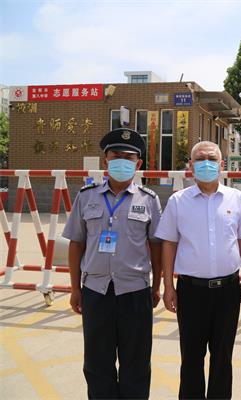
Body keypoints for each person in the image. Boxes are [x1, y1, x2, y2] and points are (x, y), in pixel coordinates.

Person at [63, 128, 162, 399]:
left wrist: (157, 286)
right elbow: (76, 244)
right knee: (97, 364)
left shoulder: (149, 200)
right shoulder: (86, 196)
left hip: (135, 292)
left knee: (136, 364)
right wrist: (75, 288)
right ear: (105, 160)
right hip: (96, 291)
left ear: (138, 164)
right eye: (115, 156)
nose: (121, 162)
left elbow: (156, 247)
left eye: (128, 158)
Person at [156, 141, 241, 399]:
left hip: (227, 290)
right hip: (191, 291)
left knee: (222, 357)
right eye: (200, 159)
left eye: (212, 159)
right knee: (191, 357)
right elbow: (169, 244)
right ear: (191, 166)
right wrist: (168, 287)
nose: (206, 164)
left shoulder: (237, 199)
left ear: (221, 165)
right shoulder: (178, 201)